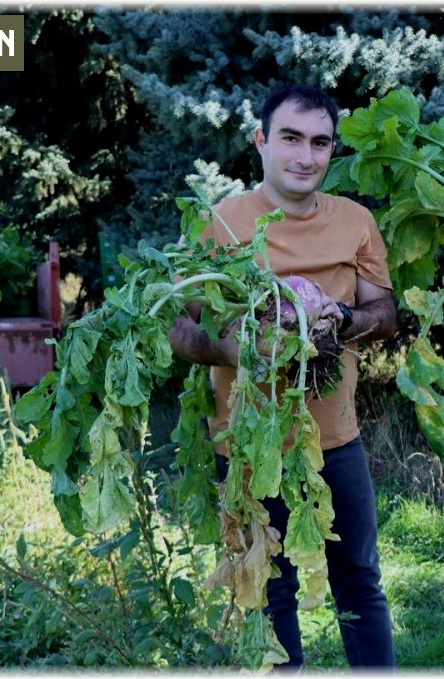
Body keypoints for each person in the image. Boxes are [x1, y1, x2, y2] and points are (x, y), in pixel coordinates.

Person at [169, 84, 398, 670]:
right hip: (246, 442)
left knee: (360, 582)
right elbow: (179, 332)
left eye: (320, 143)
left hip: (335, 443)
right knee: (267, 591)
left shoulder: (355, 222)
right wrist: (237, 349)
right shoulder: (218, 224)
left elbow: (384, 316)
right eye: (291, 138)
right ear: (262, 141)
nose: (306, 156)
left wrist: (341, 320)